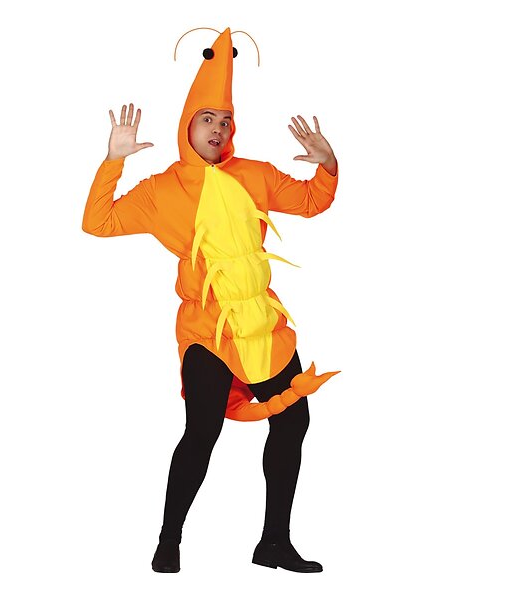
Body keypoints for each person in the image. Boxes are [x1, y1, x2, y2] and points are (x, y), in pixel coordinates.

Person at [82, 28, 339, 573]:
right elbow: (98, 222)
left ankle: (274, 543)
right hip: (207, 330)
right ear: (187, 126)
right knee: (202, 432)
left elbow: (312, 201)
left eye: (225, 121)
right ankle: (169, 539)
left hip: (263, 324)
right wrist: (113, 161)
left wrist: (328, 164)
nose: (218, 129)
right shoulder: (162, 190)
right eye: (207, 119)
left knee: (292, 420)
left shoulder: (255, 175)